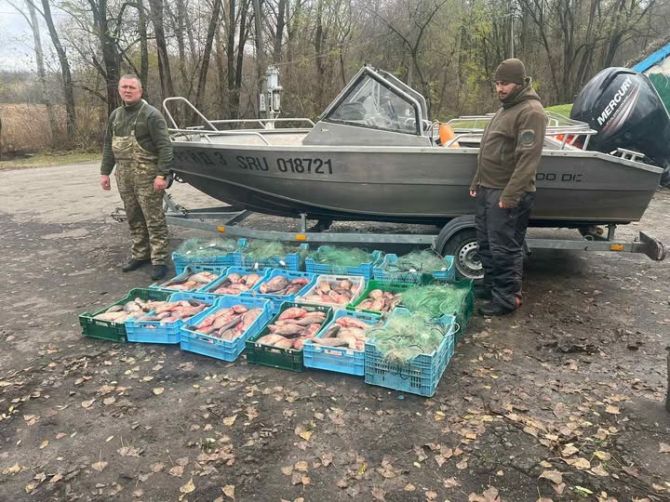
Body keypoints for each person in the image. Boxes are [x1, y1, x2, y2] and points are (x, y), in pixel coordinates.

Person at [469, 58, 547, 316]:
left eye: (505, 83)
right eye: (497, 83)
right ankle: (492, 288)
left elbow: (528, 160)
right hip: (488, 188)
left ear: (520, 83)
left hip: (506, 193)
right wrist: (477, 180)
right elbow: (490, 149)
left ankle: (506, 299)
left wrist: (510, 195)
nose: (499, 88)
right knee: (486, 243)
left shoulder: (531, 112)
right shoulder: (506, 108)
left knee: (504, 248)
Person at [100, 74, 173, 281]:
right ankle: (140, 254)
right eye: (124, 87)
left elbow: (165, 147)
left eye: (132, 87)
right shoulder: (115, 115)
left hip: (148, 176)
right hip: (124, 176)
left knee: (154, 219)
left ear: (140, 91)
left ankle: (159, 260)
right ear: (119, 90)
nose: (127, 90)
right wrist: (105, 172)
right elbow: (108, 146)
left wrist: (162, 174)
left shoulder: (151, 115)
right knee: (133, 217)